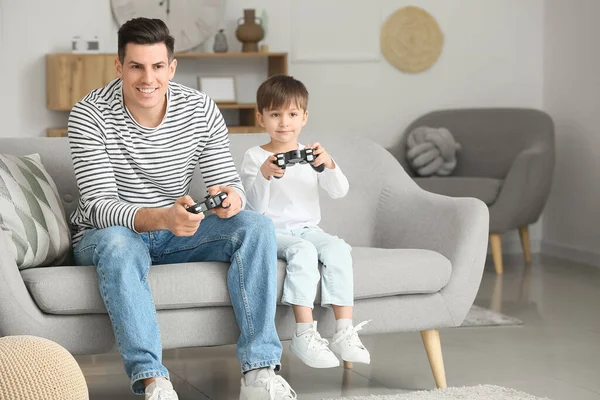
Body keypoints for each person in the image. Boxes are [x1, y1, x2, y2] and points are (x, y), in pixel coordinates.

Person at [68, 18, 296, 400]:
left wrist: (230, 198)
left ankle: (259, 371)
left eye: (158, 67)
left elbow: (228, 179)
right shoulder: (89, 115)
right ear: (119, 66)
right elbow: (98, 205)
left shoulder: (200, 108)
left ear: (171, 67)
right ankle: (153, 380)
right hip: (109, 235)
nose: (148, 78)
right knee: (120, 244)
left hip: (178, 231)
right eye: (136, 66)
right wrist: (161, 217)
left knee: (254, 226)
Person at [240, 75, 371, 370]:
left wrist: (328, 165)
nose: (284, 122)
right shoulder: (255, 157)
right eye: (275, 114)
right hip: (271, 231)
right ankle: (304, 332)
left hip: (308, 229)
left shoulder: (313, 156)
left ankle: (343, 331)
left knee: (338, 249)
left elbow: (339, 191)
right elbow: (253, 209)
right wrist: (265, 175)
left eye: (292, 114)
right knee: (303, 251)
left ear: (304, 117)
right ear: (261, 117)